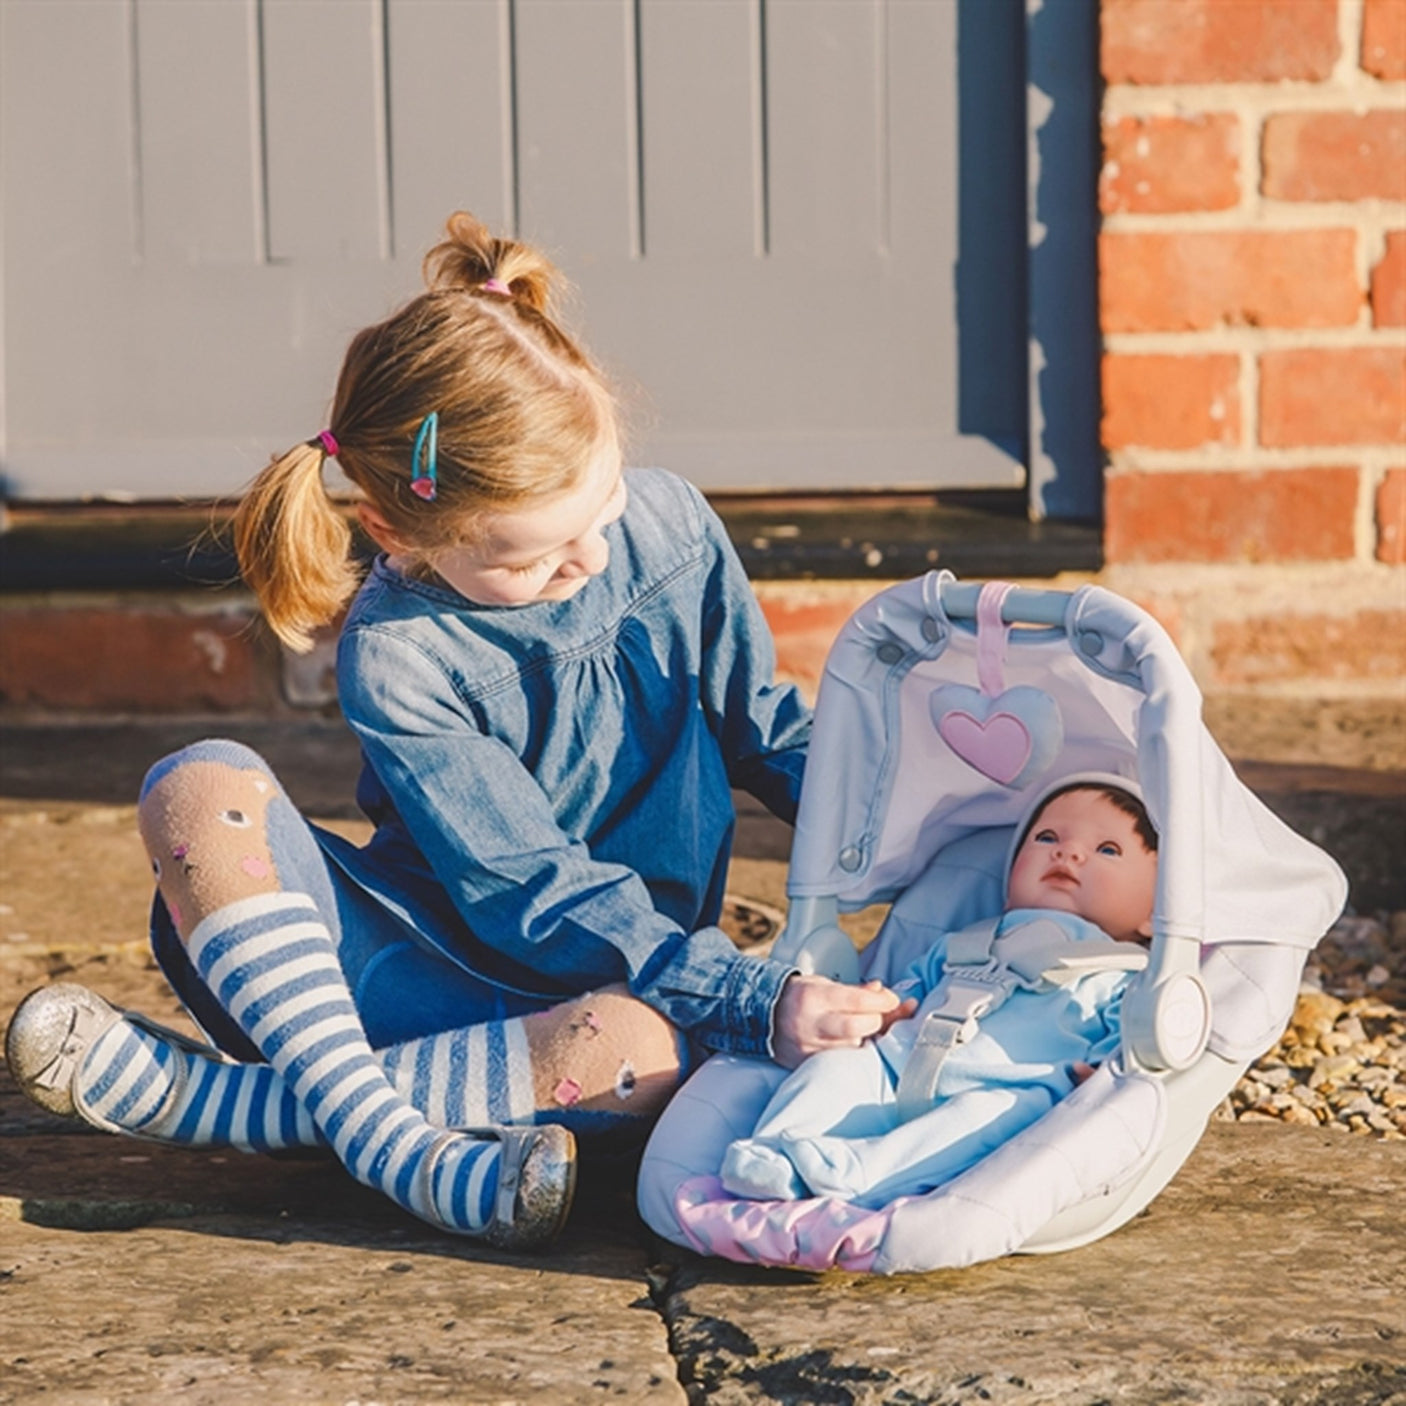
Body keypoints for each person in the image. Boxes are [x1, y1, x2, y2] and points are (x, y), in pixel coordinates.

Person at [4, 211, 908, 1250]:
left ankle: (236, 1108)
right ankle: (401, 1143)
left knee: (641, 1054)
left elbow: (769, 732)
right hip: (415, 973)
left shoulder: (672, 529)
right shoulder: (399, 653)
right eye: (531, 553)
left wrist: (936, 810)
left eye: (601, 507)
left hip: (601, 1000)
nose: (587, 560)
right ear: (396, 529)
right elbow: (532, 887)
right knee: (196, 788)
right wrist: (751, 996)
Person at [719, 779, 1158, 1209]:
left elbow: (1130, 1037)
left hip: (1009, 1089)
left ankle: (859, 1174)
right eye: (1046, 838)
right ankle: (774, 1151)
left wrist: (1104, 1072)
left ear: (1154, 914)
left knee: (989, 1121)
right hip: (896, 1066)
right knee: (836, 1070)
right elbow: (912, 988)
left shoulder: (1122, 973)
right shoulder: (965, 941)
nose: (1068, 852)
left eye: (1107, 850)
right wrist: (888, 1009)